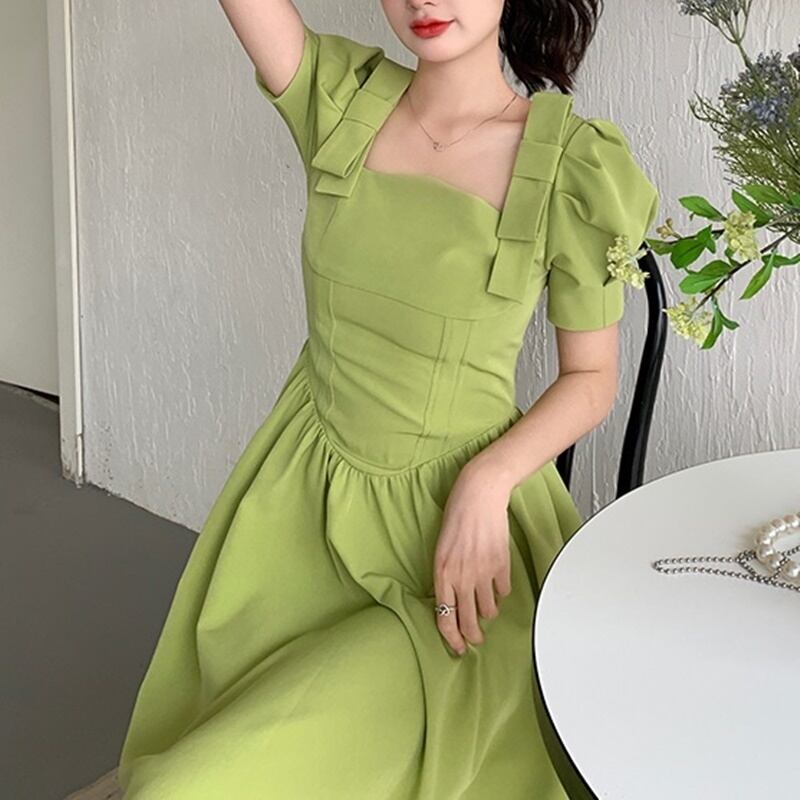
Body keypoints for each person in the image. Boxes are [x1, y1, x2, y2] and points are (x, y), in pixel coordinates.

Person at [116, 1, 659, 797]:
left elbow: (592, 379)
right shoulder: (340, 97)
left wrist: (488, 480)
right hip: (295, 520)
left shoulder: (573, 166)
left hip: (454, 550)